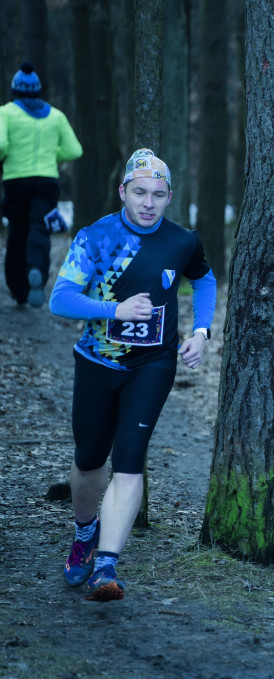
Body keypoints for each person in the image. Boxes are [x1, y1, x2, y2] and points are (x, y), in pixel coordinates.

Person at [51, 148, 217, 601]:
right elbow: (60, 299)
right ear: (123, 191)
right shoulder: (96, 237)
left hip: (153, 364)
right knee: (89, 460)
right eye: (139, 192)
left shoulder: (182, 241)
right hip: (97, 363)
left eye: (158, 194)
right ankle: (85, 532)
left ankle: (107, 566)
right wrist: (114, 309)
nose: (148, 203)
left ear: (168, 197)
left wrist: (201, 332)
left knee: (130, 457)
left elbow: (204, 280)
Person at [0, 62, 82, 307]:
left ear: (15, 89)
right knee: (40, 228)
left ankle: (18, 289)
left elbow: (2, 146)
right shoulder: (56, 116)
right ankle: (37, 269)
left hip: (15, 181)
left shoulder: (6, 112)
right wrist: (49, 155)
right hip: (46, 181)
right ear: (38, 90)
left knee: (17, 232)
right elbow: (74, 149)